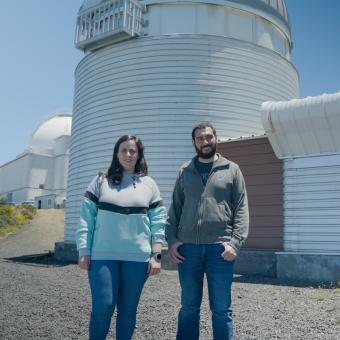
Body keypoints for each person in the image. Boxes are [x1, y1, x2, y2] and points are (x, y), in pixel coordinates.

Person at [76, 135, 167, 340]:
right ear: (116, 154)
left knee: (128, 310)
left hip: (138, 257)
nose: (128, 154)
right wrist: (84, 250)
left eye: (132, 151)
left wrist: (157, 255)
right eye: (124, 150)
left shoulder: (149, 184)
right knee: (104, 306)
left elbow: (158, 221)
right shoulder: (100, 180)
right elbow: (86, 218)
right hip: (102, 255)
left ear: (139, 155)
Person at [166, 122, 249, 340]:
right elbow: (174, 209)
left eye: (209, 137)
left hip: (220, 249)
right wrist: (172, 240)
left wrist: (235, 243)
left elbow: (241, 208)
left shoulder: (232, 169)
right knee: (189, 307)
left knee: (221, 309)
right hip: (188, 250)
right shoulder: (185, 171)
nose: (205, 141)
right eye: (200, 138)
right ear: (194, 142)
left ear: (216, 139)